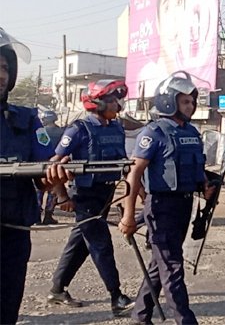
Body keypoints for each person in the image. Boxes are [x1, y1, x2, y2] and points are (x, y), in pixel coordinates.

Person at [119, 71, 216, 324]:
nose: (191, 106)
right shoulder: (154, 133)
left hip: (184, 205)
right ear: (168, 101)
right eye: (185, 101)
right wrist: (129, 216)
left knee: (160, 263)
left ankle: (140, 316)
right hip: (161, 207)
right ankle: (185, 320)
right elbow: (135, 173)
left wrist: (205, 184)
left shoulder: (192, 133)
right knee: (172, 266)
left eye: (192, 102)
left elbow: (195, 168)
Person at [46, 79, 135, 316]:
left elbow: (124, 164)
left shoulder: (116, 127)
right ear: (97, 102)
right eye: (114, 100)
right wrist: (62, 196)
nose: (118, 105)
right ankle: (117, 297)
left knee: (80, 245)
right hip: (85, 195)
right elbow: (54, 164)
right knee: (100, 243)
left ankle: (57, 289)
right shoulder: (79, 129)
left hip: (106, 194)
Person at [1, 28, 70, 324]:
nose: (1, 75)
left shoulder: (26, 118)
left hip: (13, 230)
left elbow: (42, 174)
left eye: (4, 67)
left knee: (7, 307)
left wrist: (54, 179)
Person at [37, 110, 64, 225]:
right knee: (53, 191)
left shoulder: (41, 132)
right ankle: (48, 215)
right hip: (56, 166)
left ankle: (37, 217)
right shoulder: (61, 131)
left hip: (40, 165)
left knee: (39, 191)